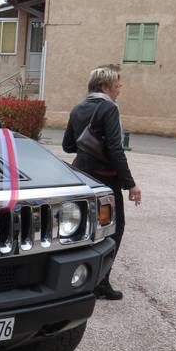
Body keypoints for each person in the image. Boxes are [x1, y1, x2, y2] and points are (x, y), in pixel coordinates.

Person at [62, 64, 141, 300]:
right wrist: (130, 184)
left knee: (84, 229)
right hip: (105, 179)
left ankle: (78, 278)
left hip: (82, 176)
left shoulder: (78, 108)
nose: (119, 90)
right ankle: (101, 282)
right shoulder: (109, 108)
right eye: (117, 86)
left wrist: (87, 147)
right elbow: (116, 149)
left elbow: (68, 145)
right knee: (114, 229)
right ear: (106, 87)